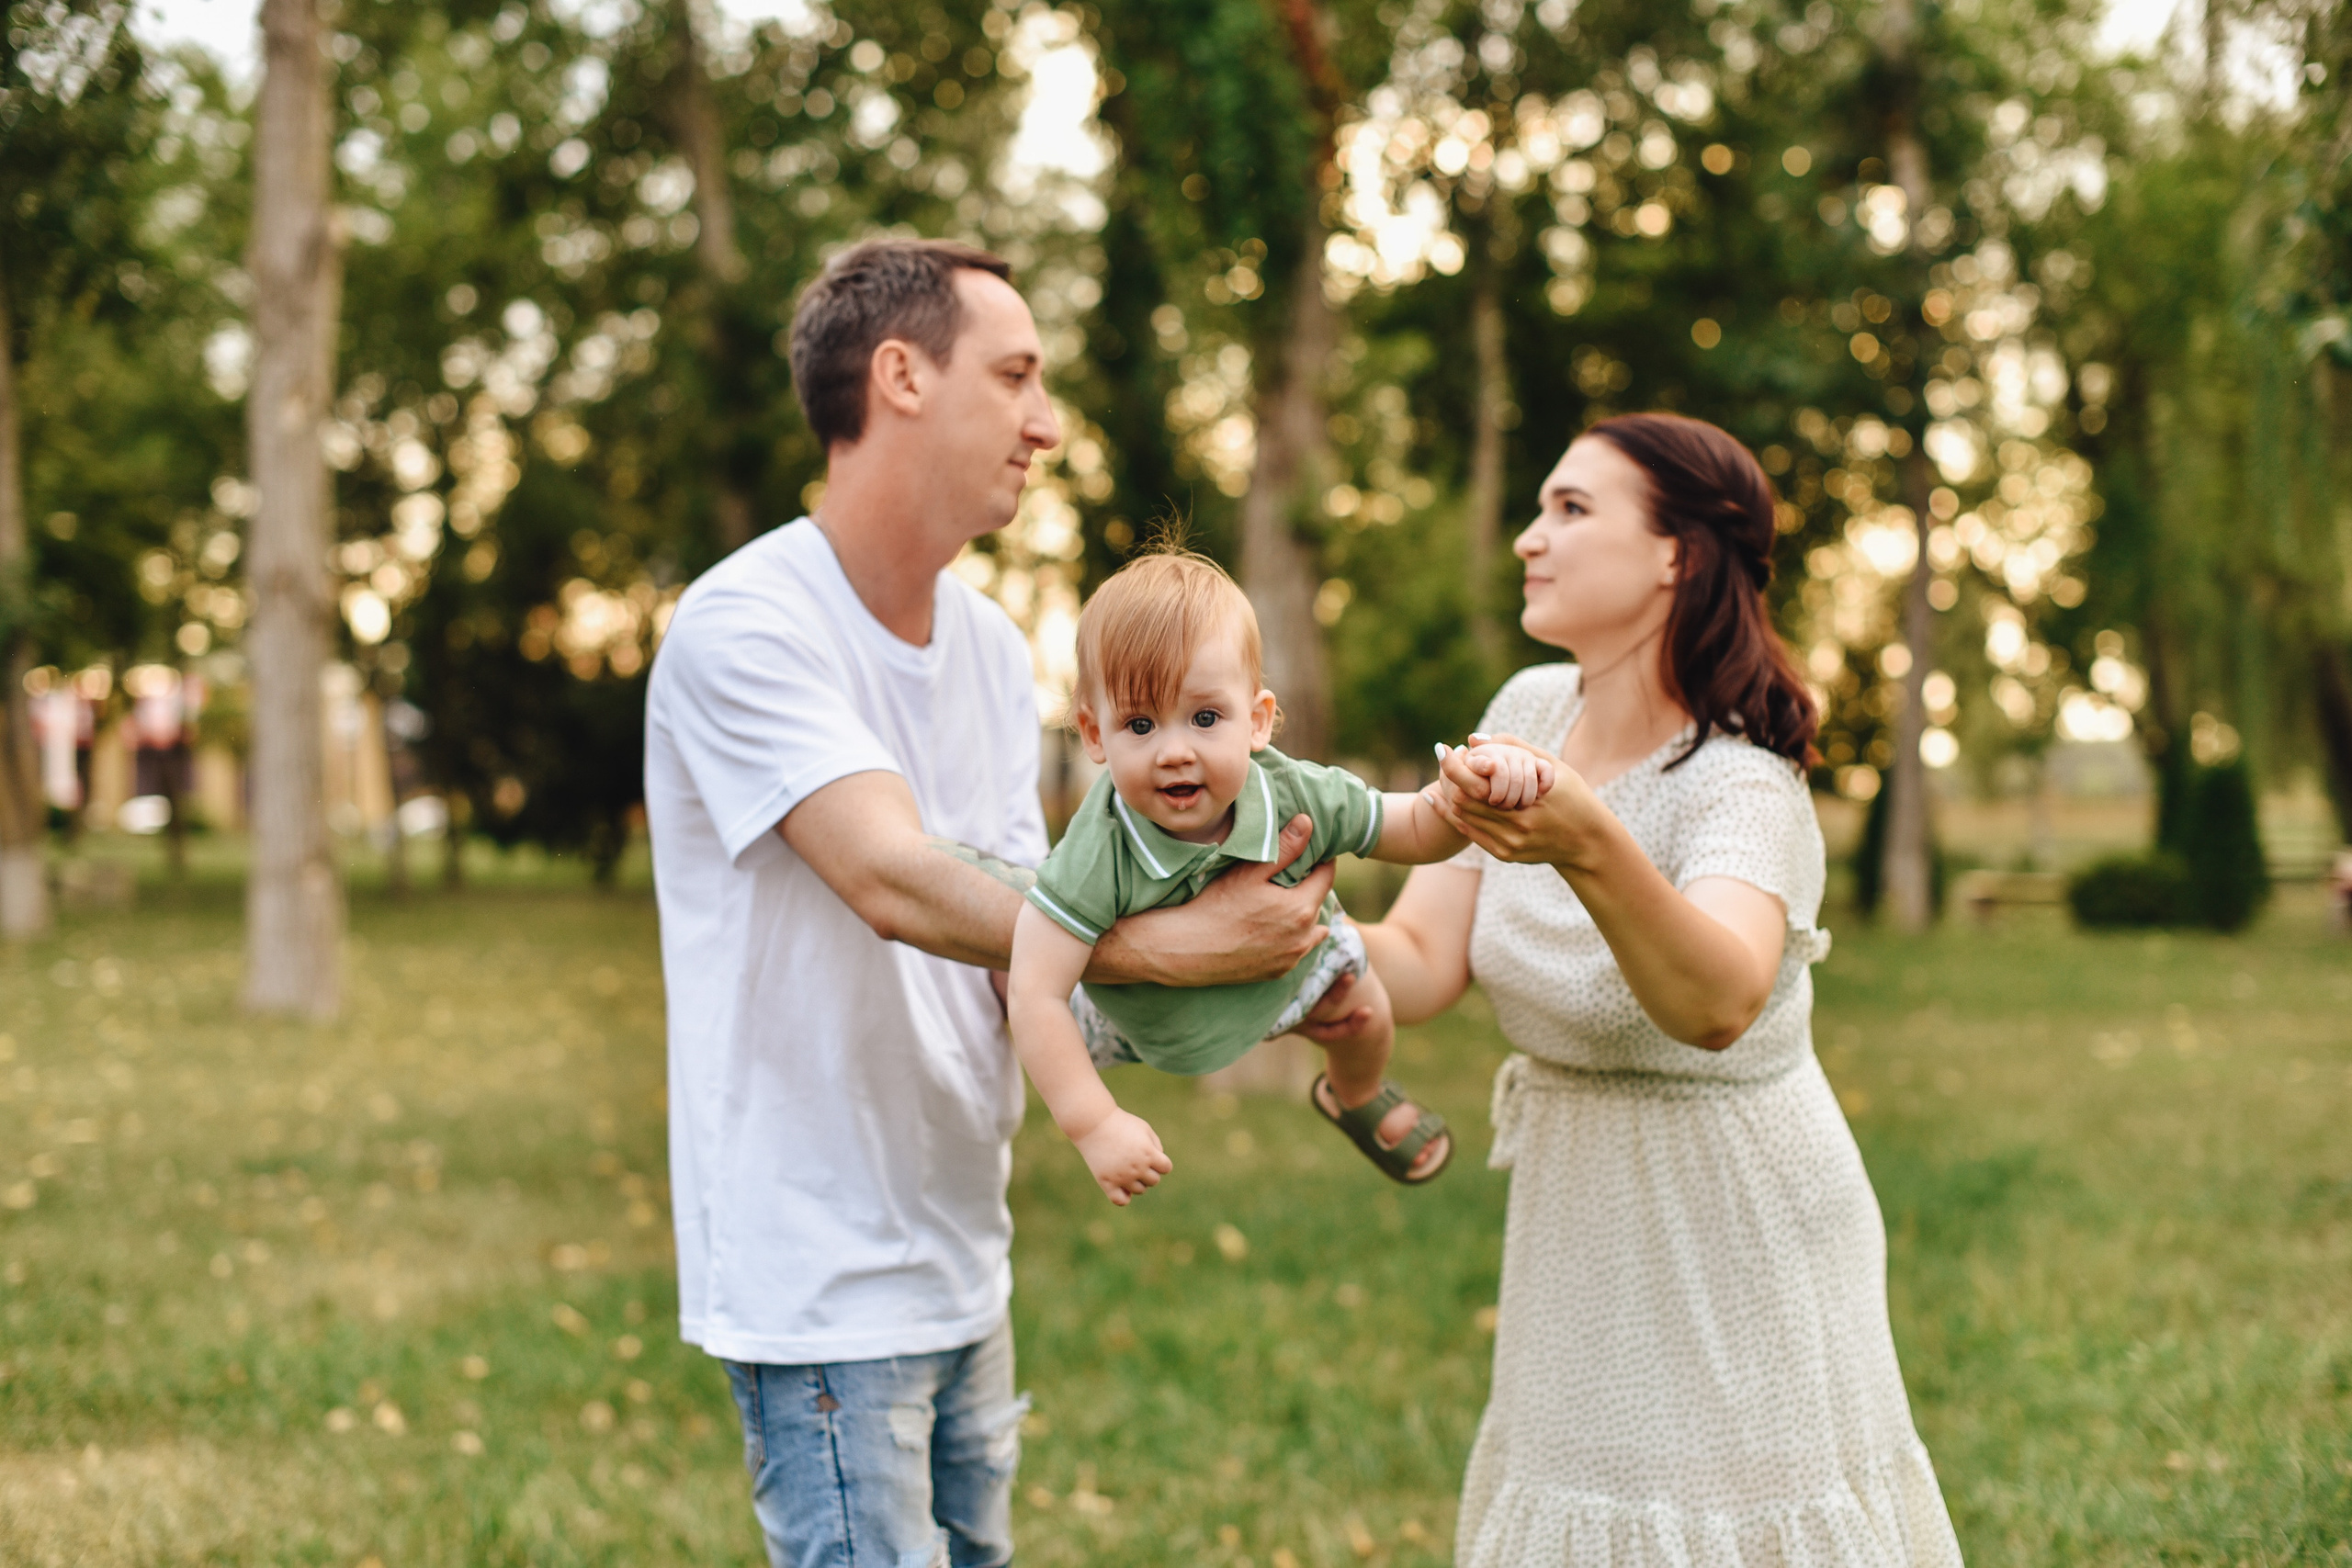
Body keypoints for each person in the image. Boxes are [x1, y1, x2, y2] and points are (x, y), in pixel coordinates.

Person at [643, 239, 1339, 1568]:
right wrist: (1179, 949)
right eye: (1017, 374)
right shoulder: (747, 624)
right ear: (901, 375)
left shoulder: (984, 644)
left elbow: (1035, 913)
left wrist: (1246, 978)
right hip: (822, 1271)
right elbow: (894, 876)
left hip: (965, 1238)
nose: (1048, 421)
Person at [1340, 412, 1965, 1565]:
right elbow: (1423, 959)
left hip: (1737, 1221)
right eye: (1539, 510)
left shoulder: (1742, 784)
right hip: (1579, 1219)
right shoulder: (1528, 711)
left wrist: (1585, 837)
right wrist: (1291, 924)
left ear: (1677, 553)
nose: (1531, 540)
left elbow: (1718, 1002)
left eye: (1571, 510)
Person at [1008, 547, 1549, 1201]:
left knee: (1369, 1006)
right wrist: (1094, 1124)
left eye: (1205, 718)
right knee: (1040, 995)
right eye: (1141, 723)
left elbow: (1406, 827)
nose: (1175, 749)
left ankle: (1356, 1093)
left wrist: (1462, 797)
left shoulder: (1296, 794)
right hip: (1140, 1015)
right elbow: (1035, 990)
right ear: (1095, 735)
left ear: (1257, 720)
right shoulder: (1099, 846)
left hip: (1292, 974)